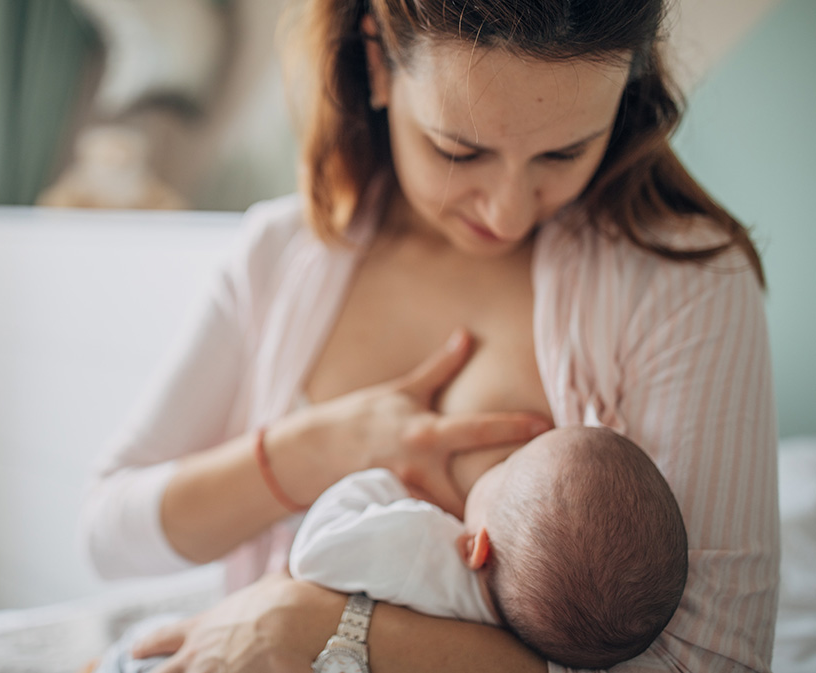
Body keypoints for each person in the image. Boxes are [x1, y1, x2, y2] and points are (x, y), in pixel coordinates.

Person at [77, 0, 779, 671]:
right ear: (377, 61)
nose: (506, 212)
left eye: (564, 153)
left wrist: (308, 627)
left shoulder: (684, 280)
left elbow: (708, 661)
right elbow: (110, 533)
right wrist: (319, 447)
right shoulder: (278, 255)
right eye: (459, 151)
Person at [289, 426, 689, 670]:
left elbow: (311, 552)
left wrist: (384, 484)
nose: (492, 465)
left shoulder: (421, 543)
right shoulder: (523, 629)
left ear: (476, 549)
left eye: (505, 466)